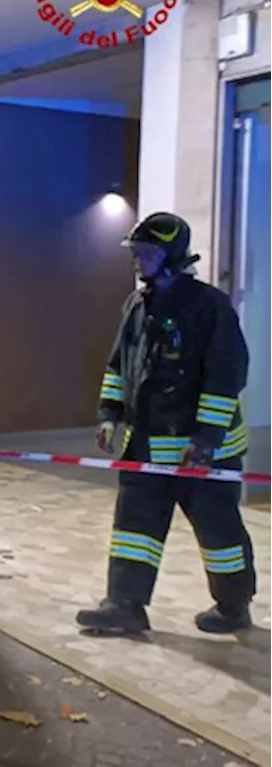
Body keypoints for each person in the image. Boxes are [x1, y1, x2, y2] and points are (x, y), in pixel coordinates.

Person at [77, 212, 255, 636]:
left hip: (203, 452)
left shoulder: (209, 306)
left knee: (219, 533)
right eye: (136, 252)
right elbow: (120, 365)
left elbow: (226, 375)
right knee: (134, 528)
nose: (138, 260)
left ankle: (233, 606)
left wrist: (208, 440)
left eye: (148, 253)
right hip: (147, 445)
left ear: (172, 255)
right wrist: (110, 415)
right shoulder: (138, 304)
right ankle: (124, 604)